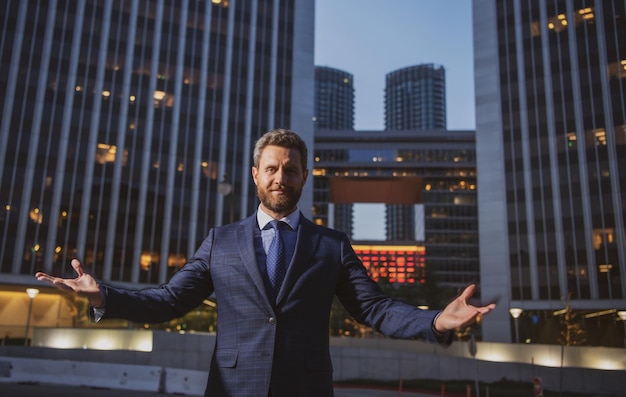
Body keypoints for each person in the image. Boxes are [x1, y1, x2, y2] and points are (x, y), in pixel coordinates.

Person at [36, 128, 496, 397]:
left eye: (290, 169)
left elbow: (373, 308)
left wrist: (435, 320)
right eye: (271, 169)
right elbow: (169, 301)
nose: (281, 177)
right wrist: (106, 296)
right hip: (233, 388)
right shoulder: (221, 242)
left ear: (304, 177)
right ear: (256, 175)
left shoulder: (331, 245)